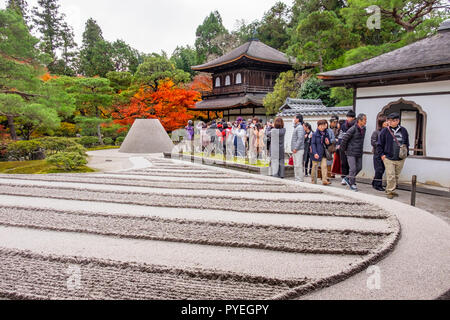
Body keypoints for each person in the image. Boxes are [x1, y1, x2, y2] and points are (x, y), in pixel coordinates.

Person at [377, 113, 410, 200]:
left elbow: (406, 143)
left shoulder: (403, 130)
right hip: (388, 157)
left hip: (400, 157)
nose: (390, 122)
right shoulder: (385, 131)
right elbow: (379, 144)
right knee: (390, 175)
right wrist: (382, 155)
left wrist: (406, 153)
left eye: (392, 120)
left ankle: (392, 190)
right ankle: (389, 191)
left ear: (397, 121)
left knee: (396, 176)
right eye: (389, 120)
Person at [341, 113, 367, 192]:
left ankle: (347, 178)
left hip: (359, 151)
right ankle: (352, 183)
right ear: (359, 120)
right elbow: (345, 139)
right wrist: (344, 149)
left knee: (359, 167)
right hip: (350, 151)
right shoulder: (353, 129)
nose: (366, 121)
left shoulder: (364, 129)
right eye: (364, 120)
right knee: (353, 169)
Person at [311, 120, 332, 185]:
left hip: (323, 152)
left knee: (324, 166)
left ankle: (324, 180)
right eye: (321, 126)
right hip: (316, 152)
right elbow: (313, 144)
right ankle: (313, 181)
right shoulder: (314, 134)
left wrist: (328, 143)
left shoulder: (326, 133)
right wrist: (315, 153)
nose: (323, 127)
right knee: (314, 166)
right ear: (318, 126)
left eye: (324, 125)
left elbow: (328, 144)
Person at [338, 111, 356, 185]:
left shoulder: (356, 125)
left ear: (353, 118)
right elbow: (341, 135)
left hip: (351, 147)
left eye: (350, 117)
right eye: (347, 117)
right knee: (343, 162)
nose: (348, 118)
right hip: (343, 146)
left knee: (351, 164)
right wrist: (339, 143)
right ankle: (344, 177)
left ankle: (349, 178)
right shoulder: (344, 125)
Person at [371, 116, 388, 191]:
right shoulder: (376, 132)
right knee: (379, 169)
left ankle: (374, 182)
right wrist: (381, 145)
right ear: (381, 123)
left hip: (384, 153)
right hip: (377, 153)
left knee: (382, 169)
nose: (387, 123)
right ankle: (378, 185)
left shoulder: (388, 131)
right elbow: (373, 142)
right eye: (385, 121)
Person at [291, 114, 305, 182]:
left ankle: (299, 179)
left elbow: (300, 139)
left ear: (298, 119)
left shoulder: (299, 127)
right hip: (295, 149)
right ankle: (297, 178)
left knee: (298, 165)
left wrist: (296, 148)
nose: (293, 119)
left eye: (294, 118)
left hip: (298, 149)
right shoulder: (297, 127)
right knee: (296, 165)